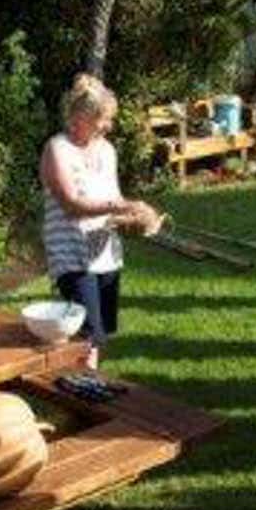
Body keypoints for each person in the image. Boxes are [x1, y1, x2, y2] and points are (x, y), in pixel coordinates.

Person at [40, 74, 161, 372]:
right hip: (72, 256)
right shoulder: (57, 149)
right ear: (81, 116)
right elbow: (71, 205)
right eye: (103, 119)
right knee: (86, 337)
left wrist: (132, 218)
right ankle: (84, 393)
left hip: (106, 254)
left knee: (99, 337)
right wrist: (120, 205)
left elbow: (112, 197)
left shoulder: (107, 151)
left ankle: (89, 387)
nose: (108, 126)